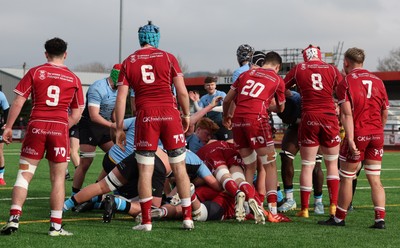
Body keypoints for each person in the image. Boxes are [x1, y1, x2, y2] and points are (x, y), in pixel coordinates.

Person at [0, 37, 84, 236]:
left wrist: (9, 127)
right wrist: (64, 126)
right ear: (65, 54)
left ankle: (14, 219)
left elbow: (19, 101)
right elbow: (77, 113)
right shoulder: (73, 78)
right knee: (57, 180)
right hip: (59, 129)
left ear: (45, 53)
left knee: (24, 175)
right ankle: (55, 226)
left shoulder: (36, 72)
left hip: (36, 126)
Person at [114, 21, 193, 231]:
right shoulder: (168, 57)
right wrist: (186, 114)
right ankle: (187, 218)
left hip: (146, 116)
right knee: (179, 168)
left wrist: (119, 127)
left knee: (145, 170)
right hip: (170, 114)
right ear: (157, 39)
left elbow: (121, 99)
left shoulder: (129, 61)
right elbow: (182, 91)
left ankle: (147, 221)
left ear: (140, 39)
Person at [319, 47, 389, 229]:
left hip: (358, 134)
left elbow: (347, 115)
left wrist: (350, 139)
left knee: (347, 178)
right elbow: (385, 112)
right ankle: (379, 219)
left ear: (346, 63)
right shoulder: (378, 81)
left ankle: (339, 218)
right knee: (375, 179)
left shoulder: (346, 82)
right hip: (376, 134)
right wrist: (378, 131)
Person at [223, 51, 287, 222]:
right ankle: (272, 210)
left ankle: (245, 207)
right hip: (257, 120)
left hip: (238, 121)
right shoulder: (277, 79)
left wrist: (225, 117)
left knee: (249, 166)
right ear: (277, 66)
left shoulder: (245, 74)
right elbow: (281, 109)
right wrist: (267, 106)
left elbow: (227, 100)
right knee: (270, 165)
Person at [285, 44, 342, 218]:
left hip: (309, 116)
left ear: (305, 56)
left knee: (307, 165)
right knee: (332, 164)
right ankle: (333, 207)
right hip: (329, 117)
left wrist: (295, 95)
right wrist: (336, 105)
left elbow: (282, 87)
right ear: (319, 55)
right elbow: (342, 91)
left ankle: (304, 209)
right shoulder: (332, 69)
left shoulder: (299, 68)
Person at [71, 63, 121, 195]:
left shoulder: (119, 89)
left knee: (118, 158)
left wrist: (120, 127)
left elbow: (114, 113)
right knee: (86, 163)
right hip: (90, 126)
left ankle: (96, 189)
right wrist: (112, 125)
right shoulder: (98, 87)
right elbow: (94, 116)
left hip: (105, 125)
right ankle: (75, 194)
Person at [277, 90, 325, 214]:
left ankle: (318, 201)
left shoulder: (300, 96)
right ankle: (289, 198)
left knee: (316, 163)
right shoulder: (284, 93)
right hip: (296, 126)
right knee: (286, 157)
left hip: (312, 125)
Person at [190, 76, 232, 141]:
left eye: (212, 85)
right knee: (212, 143)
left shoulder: (221, 94)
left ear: (215, 85)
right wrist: (195, 101)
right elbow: (200, 111)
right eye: (208, 85)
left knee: (228, 142)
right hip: (211, 126)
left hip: (222, 123)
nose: (210, 87)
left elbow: (224, 108)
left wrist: (211, 108)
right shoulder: (203, 98)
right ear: (205, 86)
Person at [0, 90, 10, 185]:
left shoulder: (1, 95)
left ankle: (1, 177)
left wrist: (6, 124)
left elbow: (7, 110)